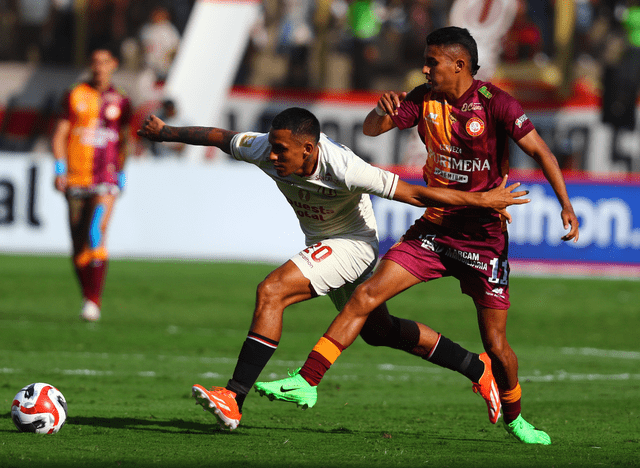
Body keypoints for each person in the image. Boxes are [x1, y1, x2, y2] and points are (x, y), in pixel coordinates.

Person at [254, 27, 580, 445]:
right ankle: (308, 380)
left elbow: (541, 152)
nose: (424, 69)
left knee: (497, 345)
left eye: (432, 62)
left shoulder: (496, 103)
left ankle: (517, 418)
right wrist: (379, 111)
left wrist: (565, 204)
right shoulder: (421, 98)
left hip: (483, 239)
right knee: (366, 295)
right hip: (435, 227)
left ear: (459, 65)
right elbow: (373, 130)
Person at [137, 107, 529, 431]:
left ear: (308, 149)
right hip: (324, 243)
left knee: (272, 291)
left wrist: (482, 201)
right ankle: (474, 366)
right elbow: (219, 136)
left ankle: (233, 398)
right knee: (379, 331)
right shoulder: (264, 148)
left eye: (281, 151)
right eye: (272, 148)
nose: (272, 157)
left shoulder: (344, 167)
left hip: (354, 244)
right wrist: (166, 131)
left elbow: (415, 193)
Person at [51, 46, 132, 322]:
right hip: (76, 176)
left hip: (105, 177)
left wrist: (121, 171)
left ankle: (93, 302)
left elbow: (125, 139)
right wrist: (59, 169)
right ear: (90, 64)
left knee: (96, 232)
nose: (99, 67)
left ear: (113, 65)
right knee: (77, 246)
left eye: (104, 62)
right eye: (95, 62)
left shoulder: (121, 100)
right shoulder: (74, 94)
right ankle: (88, 295)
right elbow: (60, 133)